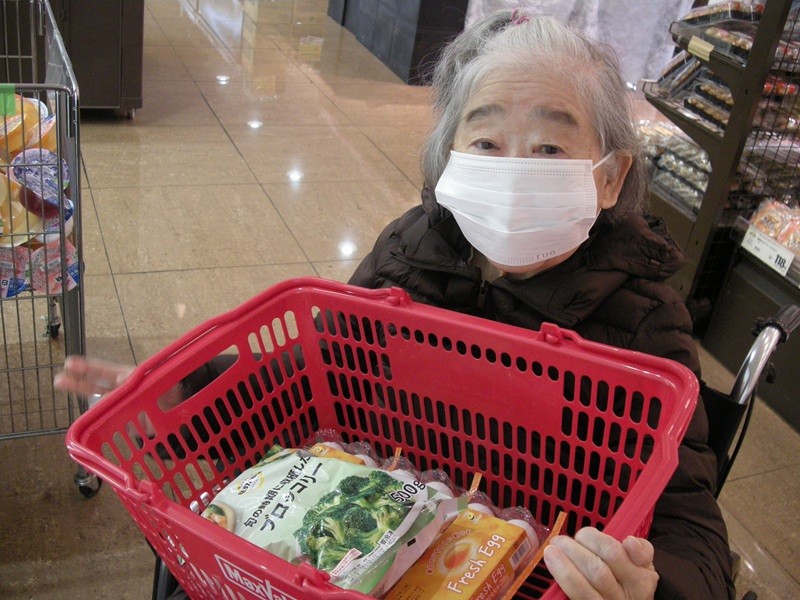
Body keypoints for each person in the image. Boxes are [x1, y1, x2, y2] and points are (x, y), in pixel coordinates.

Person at [56, 10, 734, 600]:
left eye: (550, 147)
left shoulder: (644, 320)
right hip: (372, 540)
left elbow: (688, 524)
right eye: (487, 142)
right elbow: (309, 377)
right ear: (449, 158)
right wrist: (188, 398)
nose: (513, 170)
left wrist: (649, 586)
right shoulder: (410, 253)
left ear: (610, 178)